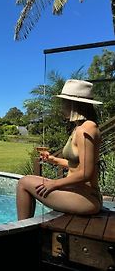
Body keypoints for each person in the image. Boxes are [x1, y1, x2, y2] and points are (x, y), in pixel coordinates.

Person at [16, 79, 103, 220]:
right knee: (26, 180)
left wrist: (54, 184)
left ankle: (22, 234)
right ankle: (25, 230)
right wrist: (54, 160)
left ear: (73, 104)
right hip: (78, 192)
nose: (62, 107)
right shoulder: (79, 128)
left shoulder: (87, 129)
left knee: (24, 183)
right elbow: (78, 166)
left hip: (86, 199)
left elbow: (86, 173)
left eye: (64, 102)